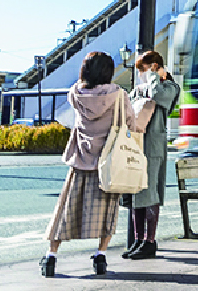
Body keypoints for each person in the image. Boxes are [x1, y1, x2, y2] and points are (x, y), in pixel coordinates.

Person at [40, 51, 136, 278]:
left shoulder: (75, 93)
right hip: (108, 163)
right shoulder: (119, 96)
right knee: (106, 214)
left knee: (66, 211)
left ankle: (51, 257)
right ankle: (100, 255)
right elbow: (130, 123)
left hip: (80, 160)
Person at [122, 49, 180, 260]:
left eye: (143, 69)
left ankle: (150, 241)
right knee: (136, 192)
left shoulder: (169, 87)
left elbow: (158, 96)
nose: (141, 74)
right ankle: (138, 240)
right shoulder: (138, 89)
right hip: (135, 145)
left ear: (155, 66)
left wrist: (155, 75)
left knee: (150, 193)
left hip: (153, 147)